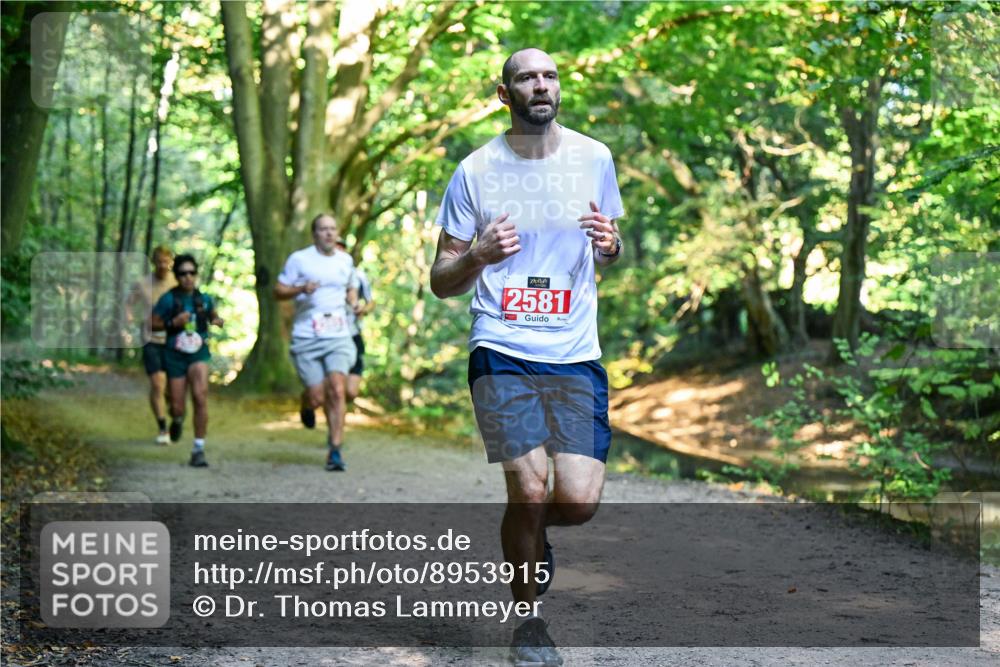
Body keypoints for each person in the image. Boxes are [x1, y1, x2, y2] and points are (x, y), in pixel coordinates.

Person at [429, 48, 624, 666]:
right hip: (502, 346)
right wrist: (476, 256)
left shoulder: (594, 158)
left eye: (549, 76)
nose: (540, 85)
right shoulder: (475, 171)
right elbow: (441, 279)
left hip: (575, 351)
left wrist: (612, 245)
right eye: (526, 78)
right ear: (503, 94)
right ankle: (529, 622)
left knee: (577, 502)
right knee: (530, 486)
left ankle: (528, 531)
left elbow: (608, 248)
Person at [275, 214, 359, 471]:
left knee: (337, 389)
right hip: (307, 337)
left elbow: (351, 287)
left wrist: (354, 302)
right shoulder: (300, 259)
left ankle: (335, 450)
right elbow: (278, 290)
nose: (329, 233)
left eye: (333, 229)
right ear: (314, 234)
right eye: (323, 229)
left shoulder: (345, 260)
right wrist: (301, 289)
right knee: (317, 397)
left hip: (339, 335)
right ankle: (306, 402)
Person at [151, 254, 224, 468]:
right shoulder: (168, 299)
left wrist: (216, 320)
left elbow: (212, 314)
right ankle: (177, 419)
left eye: (192, 272)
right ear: (177, 276)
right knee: (177, 406)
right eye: (183, 273)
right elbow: (151, 323)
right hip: (175, 356)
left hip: (198, 354)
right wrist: (173, 322)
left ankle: (198, 449)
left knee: (200, 396)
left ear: (196, 274)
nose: (188, 277)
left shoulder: (204, 298)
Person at [127, 245, 177, 445]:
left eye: (166, 261)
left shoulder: (178, 282)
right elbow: (128, 303)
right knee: (157, 384)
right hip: (150, 339)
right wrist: (129, 318)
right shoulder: (142, 283)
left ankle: (175, 411)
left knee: (172, 389)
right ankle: (163, 428)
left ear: (171, 262)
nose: (163, 265)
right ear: (153, 262)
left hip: (173, 341)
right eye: (159, 261)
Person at [335, 239, 376, 403]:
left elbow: (371, 302)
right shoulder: (319, 273)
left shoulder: (358, 275)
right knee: (334, 386)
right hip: (329, 335)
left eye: (342, 248)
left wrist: (363, 310)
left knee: (351, 392)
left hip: (353, 333)